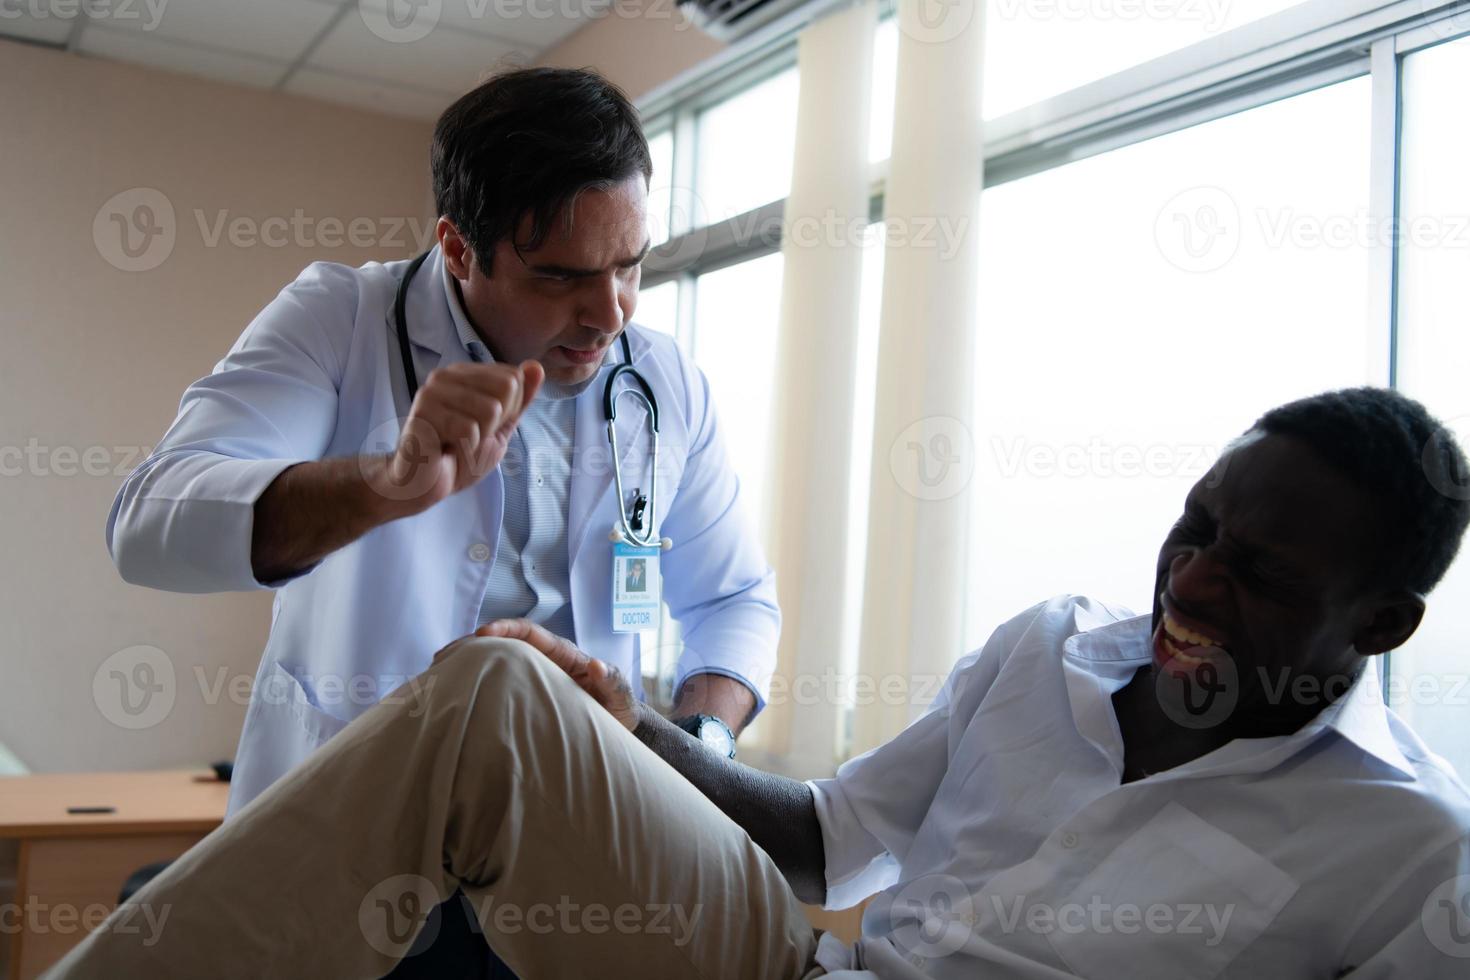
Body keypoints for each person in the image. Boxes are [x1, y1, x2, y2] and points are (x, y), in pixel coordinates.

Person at [64, 387, 1470, 978]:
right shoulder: (1052, 644)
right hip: (802, 963)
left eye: (1259, 574)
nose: (1194, 582)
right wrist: (620, 727)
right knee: (504, 691)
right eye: (1194, 527)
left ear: (1382, 624)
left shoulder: (1409, 848)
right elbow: (819, 836)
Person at [104, 67, 774, 976]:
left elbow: (733, 598)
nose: (609, 312)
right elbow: (150, 522)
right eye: (561, 277)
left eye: (630, 265)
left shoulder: (662, 384)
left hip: (577, 853)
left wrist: (696, 749)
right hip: (355, 842)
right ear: (459, 249)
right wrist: (382, 485)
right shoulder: (343, 319)